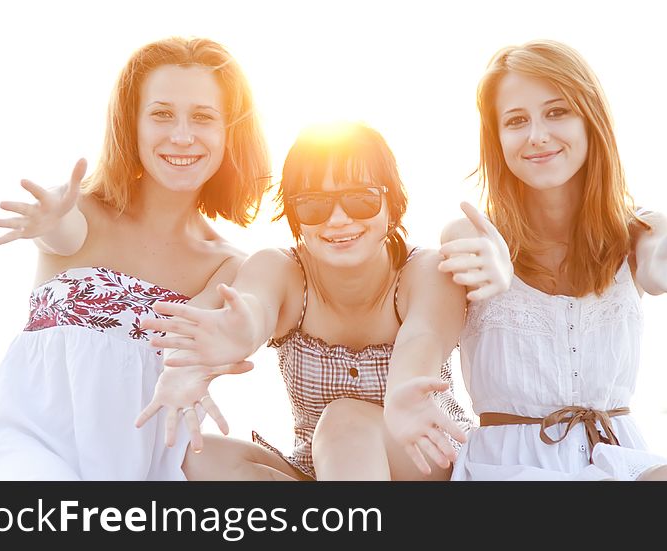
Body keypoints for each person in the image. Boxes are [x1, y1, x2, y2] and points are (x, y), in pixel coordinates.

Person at [0, 37, 270, 480]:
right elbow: (61, 233)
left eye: (203, 117)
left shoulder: (227, 265)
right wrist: (49, 218)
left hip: (141, 469)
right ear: (132, 124)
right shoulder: (83, 214)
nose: (181, 135)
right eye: (161, 114)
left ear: (229, 134)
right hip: (26, 449)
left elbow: (209, 343)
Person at [137, 122, 512, 480]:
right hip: (322, 466)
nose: (337, 219)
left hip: (425, 456)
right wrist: (231, 337)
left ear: (392, 205)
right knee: (195, 458)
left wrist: (403, 392)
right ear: (296, 216)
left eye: (360, 200)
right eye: (314, 205)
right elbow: (255, 306)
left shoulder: (423, 270)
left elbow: (423, 338)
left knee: (343, 420)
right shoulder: (283, 270)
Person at [429, 40, 667, 480]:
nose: (537, 135)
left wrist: (659, 272)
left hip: (619, 459)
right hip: (510, 469)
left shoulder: (640, 232)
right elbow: (466, 247)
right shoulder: (473, 234)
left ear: (591, 119)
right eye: (516, 121)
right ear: (497, 139)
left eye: (556, 112)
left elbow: (653, 258)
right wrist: (495, 268)